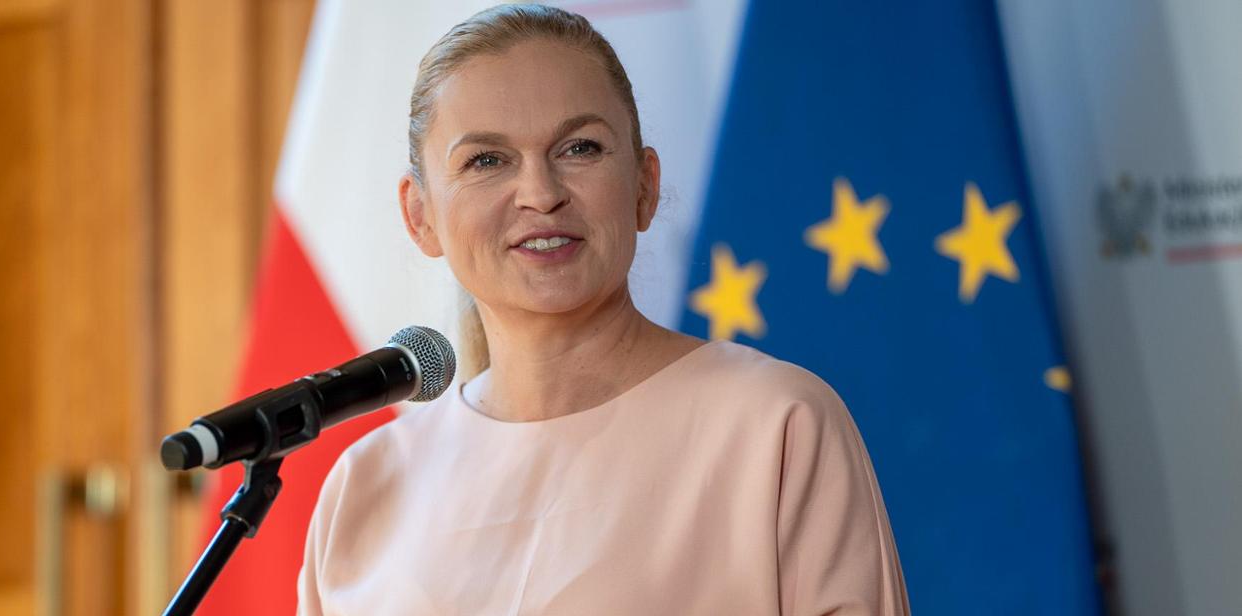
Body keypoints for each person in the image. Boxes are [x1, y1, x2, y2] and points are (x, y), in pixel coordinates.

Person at [297, 4, 908, 614]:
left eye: (580, 148)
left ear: (644, 186)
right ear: (419, 215)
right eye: (486, 160)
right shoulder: (365, 487)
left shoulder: (776, 424)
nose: (541, 194)